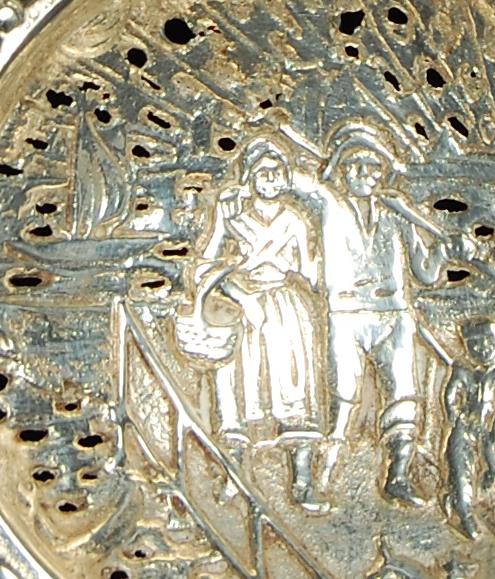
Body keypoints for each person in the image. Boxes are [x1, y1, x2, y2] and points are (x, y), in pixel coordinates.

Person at [177, 135, 324, 506]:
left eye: (277, 172)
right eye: (263, 172)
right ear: (250, 178)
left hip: (286, 309)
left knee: (293, 384)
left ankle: (301, 480)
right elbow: (204, 266)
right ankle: (234, 474)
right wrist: (239, 292)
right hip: (242, 308)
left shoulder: (295, 220)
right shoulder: (232, 219)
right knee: (235, 388)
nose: (271, 179)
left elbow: (311, 273)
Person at [311, 121, 446, 508]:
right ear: (341, 170)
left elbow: (426, 274)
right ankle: (325, 472)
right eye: (352, 166)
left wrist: (442, 249)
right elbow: (308, 184)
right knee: (343, 394)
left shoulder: (398, 215)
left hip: (393, 313)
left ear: (381, 173)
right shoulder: (330, 205)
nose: (362, 174)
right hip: (346, 313)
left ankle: (398, 475)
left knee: (403, 392)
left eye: (371, 167)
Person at [444, 315, 495, 540]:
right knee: (460, 466)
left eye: (488, 342)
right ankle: (463, 511)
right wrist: (458, 416)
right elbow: (450, 396)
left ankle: (488, 491)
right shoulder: (463, 371)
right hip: (465, 428)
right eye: (475, 344)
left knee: (491, 461)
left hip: (488, 431)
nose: (483, 348)